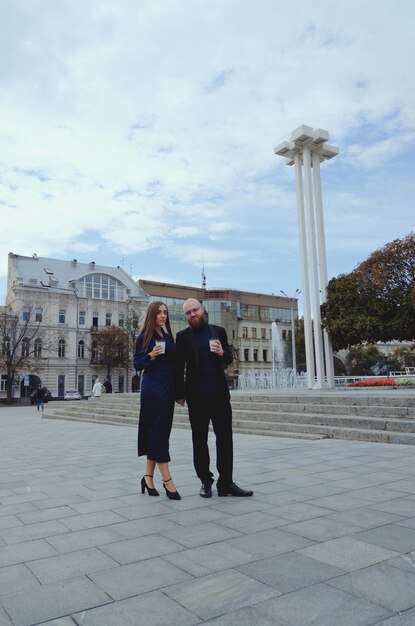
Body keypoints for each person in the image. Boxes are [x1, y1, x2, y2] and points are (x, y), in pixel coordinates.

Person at [175, 298, 253, 498]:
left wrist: (221, 352)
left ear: (203, 310)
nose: (192, 314)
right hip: (196, 397)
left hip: (219, 395)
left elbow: (228, 359)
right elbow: (179, 367)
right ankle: (205, 481)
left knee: (225, 439)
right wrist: (180, 393)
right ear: (185, 316)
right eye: (188, 313)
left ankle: (226, 483)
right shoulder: (182, 337)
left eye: (195, 310)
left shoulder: (218, 331)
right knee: (199, 441)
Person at [133, 301, 181, 500]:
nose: (163, 316)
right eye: (159, 313)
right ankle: (168, 481)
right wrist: (151, 356)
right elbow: (137, 363)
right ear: (152, 314)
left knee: (160, 432)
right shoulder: (144, 337)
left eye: (165, 313)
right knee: (158, 432)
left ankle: (147, 477)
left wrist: (179, 392)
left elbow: (176, 364)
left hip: (167, 389)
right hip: (152, 390)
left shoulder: (168, 337)